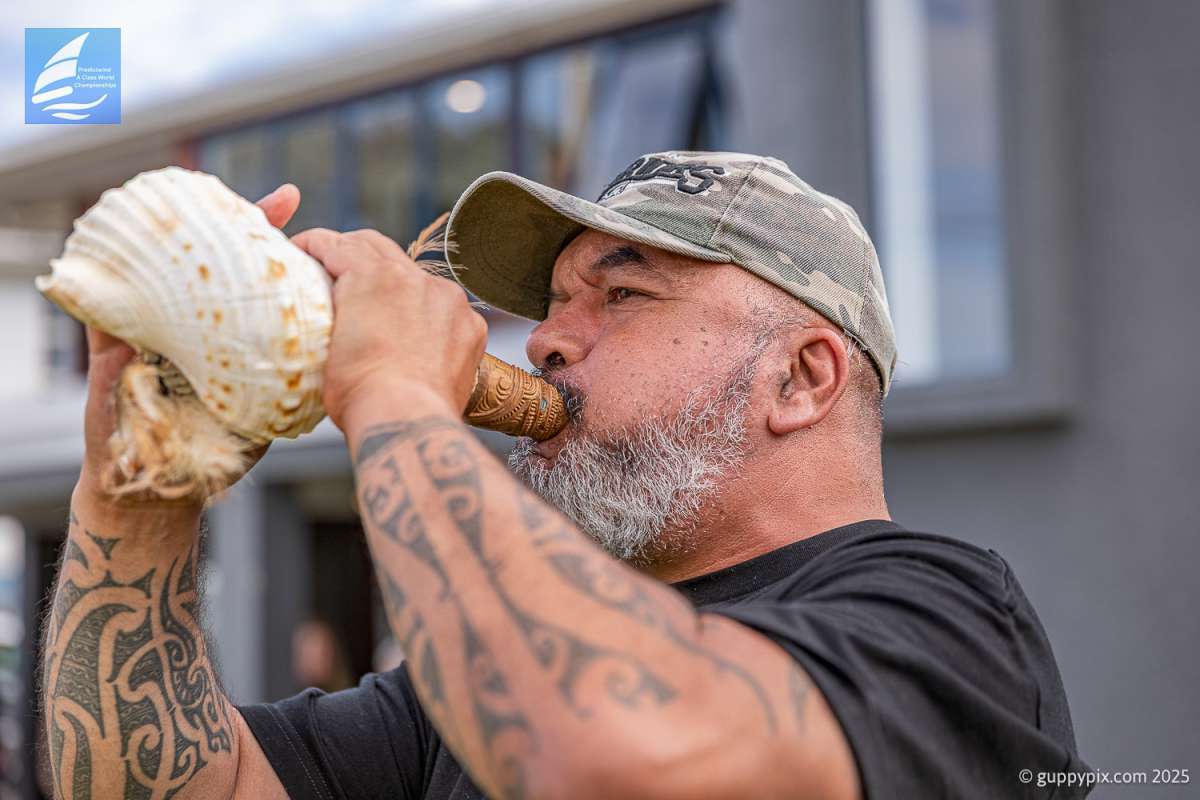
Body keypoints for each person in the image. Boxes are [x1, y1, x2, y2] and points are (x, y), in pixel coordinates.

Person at [39, 151, 1089, 799]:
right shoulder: (483, 668)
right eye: (551, 302)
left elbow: (613, 750)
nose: (543, 340)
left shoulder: (945, 620)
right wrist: (143, 490)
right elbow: (165, 783)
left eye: (621, 297)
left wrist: (394, 389)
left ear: (801, 376)